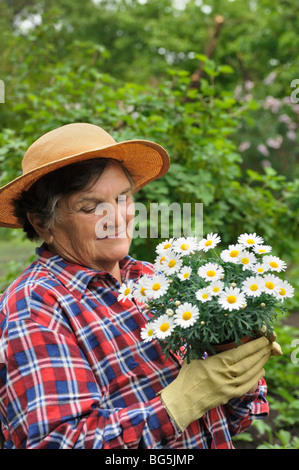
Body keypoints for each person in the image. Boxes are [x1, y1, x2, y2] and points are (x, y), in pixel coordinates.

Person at [0, 123, 279, 449]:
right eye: (90, 206)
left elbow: (228, 422)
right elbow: (57, 443)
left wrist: (237, 373)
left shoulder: (156, 280)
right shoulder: (35, 305)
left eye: (123, 198)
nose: (116, 217)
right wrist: (177, 403)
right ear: (42, 222)